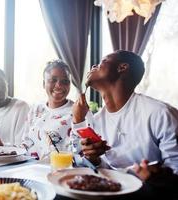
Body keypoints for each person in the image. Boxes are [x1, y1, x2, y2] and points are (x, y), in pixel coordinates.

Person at [72, 50, 178, 198]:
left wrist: (155, 176)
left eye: (103, 61)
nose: (94, 65)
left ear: (122, 67)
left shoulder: (161, 113)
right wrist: (94, 159)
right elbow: (103, 169)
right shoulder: (96, 121)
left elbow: (175, 168)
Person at [0, 60, 75, 160]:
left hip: (61, 171)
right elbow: (25, 145)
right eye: (53, 80)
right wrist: (3, 149)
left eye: (65, 81)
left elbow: (82, 153)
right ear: (44, 84)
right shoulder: (36, 109)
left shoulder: (78, 112)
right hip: (31, 170)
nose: (59, 85)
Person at [0, 67, 30, 146]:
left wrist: (2, 146)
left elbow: (23, 146)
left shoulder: (21, 107)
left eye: (1, 84)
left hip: (14, 158)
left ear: (7, 84)